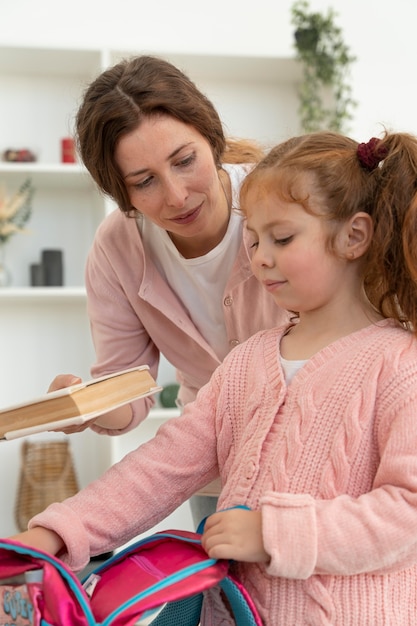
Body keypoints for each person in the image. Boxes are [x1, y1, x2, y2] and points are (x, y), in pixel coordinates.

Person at [12, 129, 417, 624]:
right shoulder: (245, 364)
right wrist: (57, 532)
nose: (260, 257)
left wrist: (274, 533)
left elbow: (407, 513)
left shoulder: (401, 365)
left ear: (354, 236)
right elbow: (160, 468)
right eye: (253, 241)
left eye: (282, 238)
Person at [50, 54, 289, 523]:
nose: (176, 196)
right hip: (214, 466)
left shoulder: (279, 202)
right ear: (121, 193)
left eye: (185, 161)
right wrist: (86, 406)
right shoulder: (119, 246)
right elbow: (130, 391)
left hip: (310, 456)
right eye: (145, 182)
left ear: (211, 138)